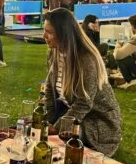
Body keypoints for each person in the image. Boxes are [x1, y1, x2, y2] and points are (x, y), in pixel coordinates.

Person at [42, 8, 122, 156]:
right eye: (44, 30)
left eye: (49, 32)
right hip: (71, 113)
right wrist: (47, 120)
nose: (44, 36)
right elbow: (49, 90)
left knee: (65, 139)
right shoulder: (53, 53)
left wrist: (57, 128)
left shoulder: (86, 59)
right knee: (37, 127)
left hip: (95, 120)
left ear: (63, 33)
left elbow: (84, 103)